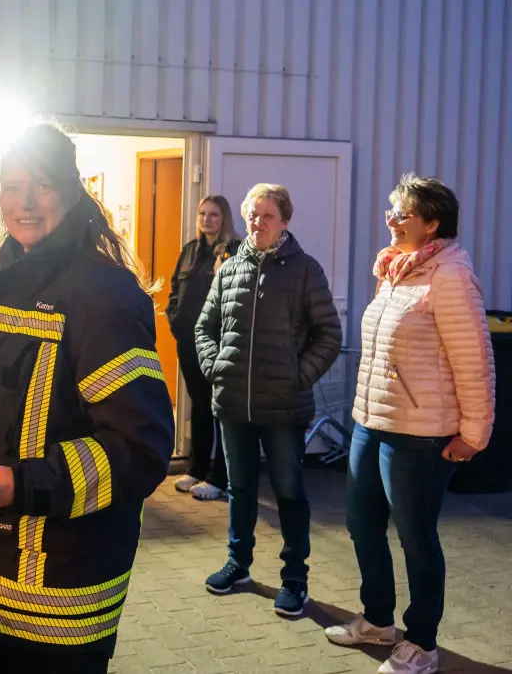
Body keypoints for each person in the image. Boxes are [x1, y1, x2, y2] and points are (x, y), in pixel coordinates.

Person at [0, 123, 175, 674]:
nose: (23, 202)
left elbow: (139, 447)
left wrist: (22, 484)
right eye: (11, 186)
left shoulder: (104, 295)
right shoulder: (6, 283)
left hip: (55, 594)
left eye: (41, 186)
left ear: (72, 192)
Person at [325, 174, 495, 674]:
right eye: (390, 210)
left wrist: (473, 434)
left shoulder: (450, 275)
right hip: (371, 421)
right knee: (361, 524)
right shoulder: (396, 270)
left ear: (432, 223)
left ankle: (421, 643)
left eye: (403, 213)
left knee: (415, 537)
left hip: (422, 434)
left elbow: (474, 359)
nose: (392, 219)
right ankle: (378, 622)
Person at [195, 183, 342, 616]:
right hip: (234, 403)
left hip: (284, 407)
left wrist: (298, 376)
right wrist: (215, 367)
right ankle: (238, 563)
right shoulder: (229, 268)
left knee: (289, 491)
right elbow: (205, 328)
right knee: (239, 488)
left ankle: (294, 578)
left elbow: (329, 335)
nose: (257, 222)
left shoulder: (305, 271)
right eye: (252, 215)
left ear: (285, 221)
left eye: (267, 215)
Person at [166, 195, 240, 501]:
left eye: (214, 214)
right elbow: (174, 290)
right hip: (188, 341)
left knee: (220, 407)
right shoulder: (191, 250)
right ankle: (196, 469)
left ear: (224, 219)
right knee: (199, 405)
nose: (207, 219)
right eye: (202, 213)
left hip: (217, 342)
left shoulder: (234, 251)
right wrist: (175, 321)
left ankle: (219, 478)